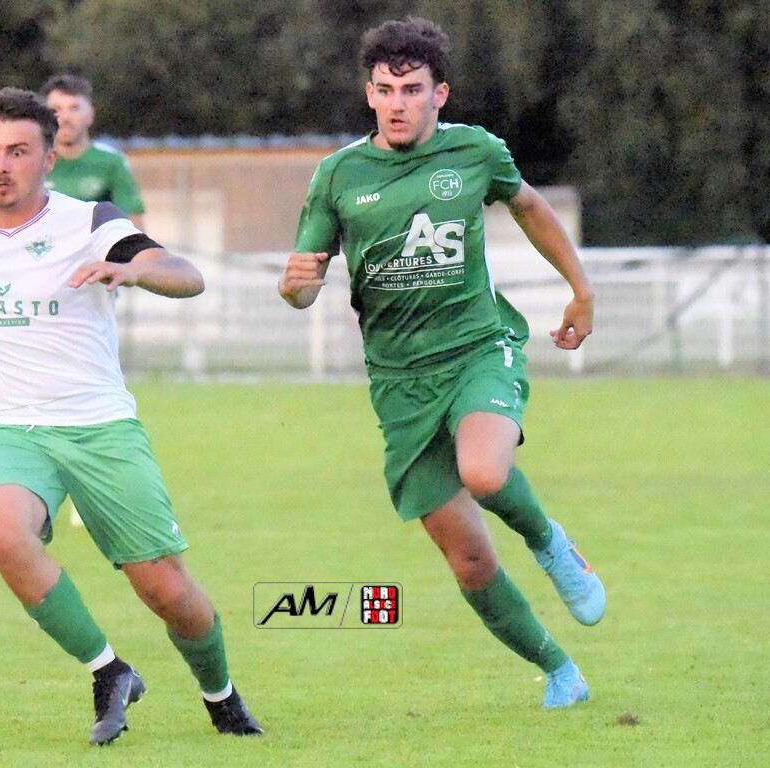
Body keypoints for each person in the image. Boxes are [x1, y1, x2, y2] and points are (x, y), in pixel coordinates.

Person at [0, 87, 261, 743]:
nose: (1, 166)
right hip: (9, 430)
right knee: (2, 531)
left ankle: (220, 694)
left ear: (49, 158)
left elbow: (184, 274)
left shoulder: (91, 221)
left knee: (166, 592)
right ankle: (108, 670)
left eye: (18, 151)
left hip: (99, 427)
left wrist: (133, 272)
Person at [278, 17, 605, 710]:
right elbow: (302, 287)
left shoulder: (474, 151)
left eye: (411, 89)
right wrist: (295, 285)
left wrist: (580, 289)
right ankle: (559, 671)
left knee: (483, 471)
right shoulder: (338, 175)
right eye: (384, 90)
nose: (396, 103)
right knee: (471, 562)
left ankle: (551, 544)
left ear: (439, 94)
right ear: (369, 94)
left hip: (477, 348)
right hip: (398, 384)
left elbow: (529, 206)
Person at [40, 74, 146, 229]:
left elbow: (134, 226)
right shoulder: (33, 162)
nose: (65, 117)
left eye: (74, 108)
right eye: (56, 109)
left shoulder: (112, 162)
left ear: (90, 115)